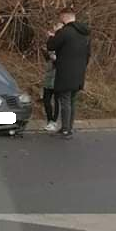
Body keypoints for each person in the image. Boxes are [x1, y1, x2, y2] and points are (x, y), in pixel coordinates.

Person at [46, 8, 91, 139]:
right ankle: (68, 127)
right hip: (79, 72)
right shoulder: (85, 34)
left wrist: (51, 36)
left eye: (61, 17)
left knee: (64, 100)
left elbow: (51, 46)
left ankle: (65, 130)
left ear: (64, 17)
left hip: (65, 71)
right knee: (72, 100)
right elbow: (88, 54)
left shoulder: (65, 32)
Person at [41, 24, 62, 132]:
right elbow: (48, 55)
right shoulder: (51, 41)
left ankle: (54, 121)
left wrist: (54, 57)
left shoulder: (62, 40)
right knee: (46, 99)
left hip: (58, 75)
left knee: (57, 100)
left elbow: (59, 58)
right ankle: (49, 120)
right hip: (49, 74)